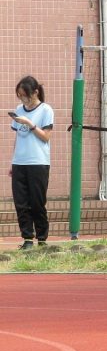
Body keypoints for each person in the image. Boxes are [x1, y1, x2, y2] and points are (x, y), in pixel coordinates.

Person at [9, 76, 54, 250]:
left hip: (38, 162)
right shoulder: (19, 109)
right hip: (19, 163)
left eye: (24, 95)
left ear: (35, 92)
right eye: (19, 95)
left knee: (37, 202)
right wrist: (12, 162)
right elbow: (17, 138)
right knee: (21, 203)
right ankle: (27, 238)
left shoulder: (45, 110)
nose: (22, 99)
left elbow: (46, 137)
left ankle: (42, 239)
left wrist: (30, 123)